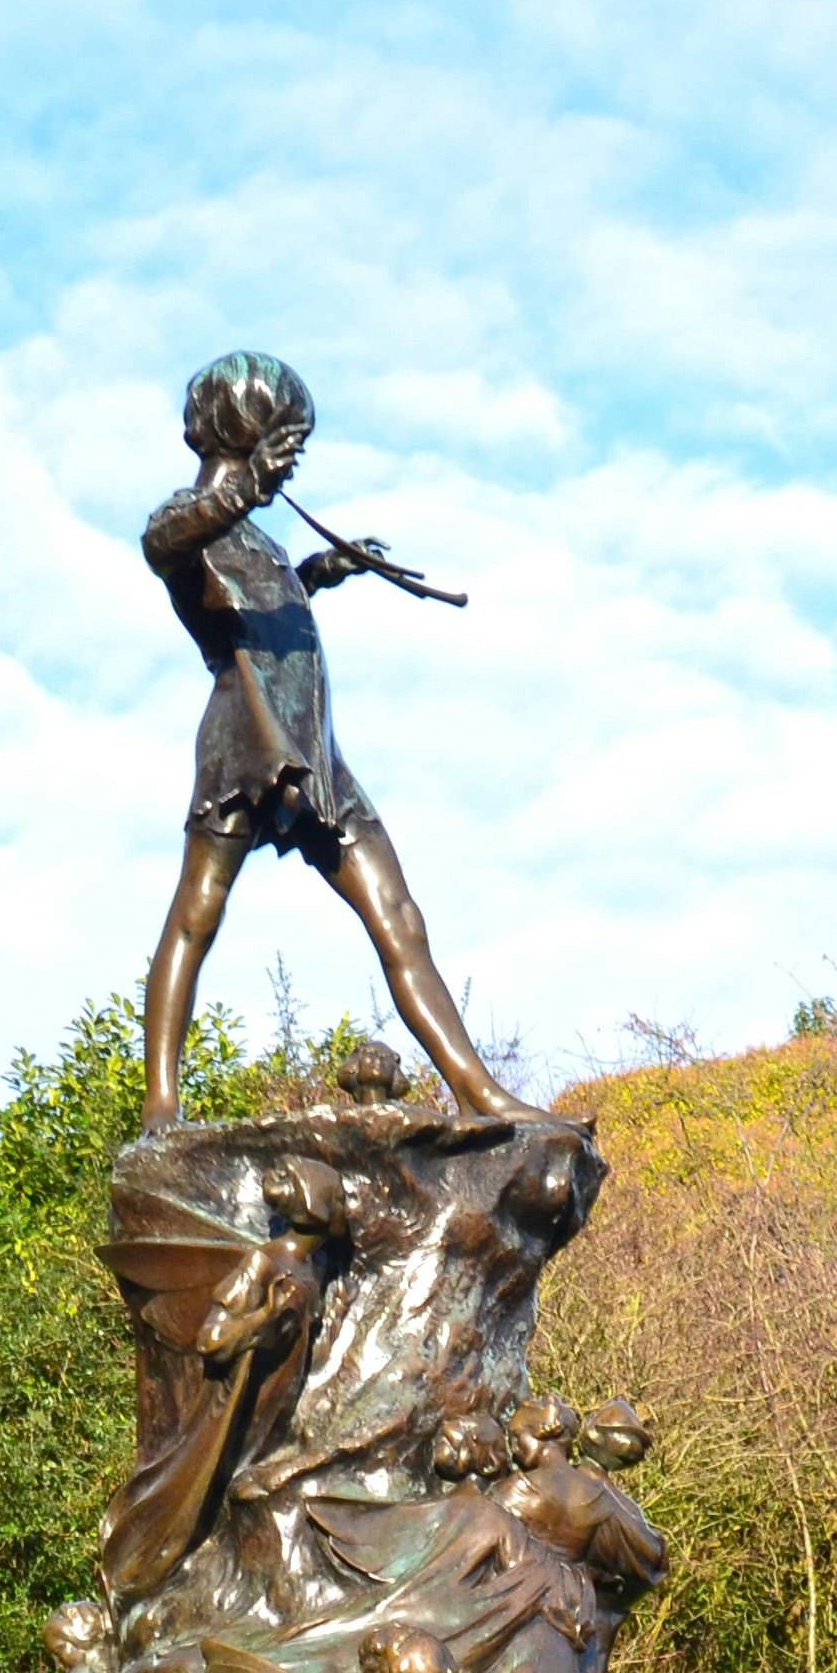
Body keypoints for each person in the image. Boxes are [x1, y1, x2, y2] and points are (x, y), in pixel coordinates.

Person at [137, 351, 533, 1132]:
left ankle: (481, 1094)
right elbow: (176, 544)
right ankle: (161, 1104)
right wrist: (248, 482)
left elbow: (272, 595)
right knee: (198, 911)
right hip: (245, 742)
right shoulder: (185, 525)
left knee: (400, 915)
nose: (290, 462)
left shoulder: (259, 541)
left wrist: (323, 568)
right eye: (283, 439)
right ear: (246, 432)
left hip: (317, 755)